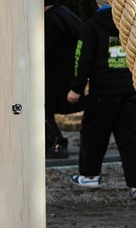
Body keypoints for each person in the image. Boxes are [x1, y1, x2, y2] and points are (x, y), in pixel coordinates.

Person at [67, 0, 136, 200]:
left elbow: (83, 58)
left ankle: (90, 175)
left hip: (101, 92)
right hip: (130, 90)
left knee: (93, 135)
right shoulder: (133, 24)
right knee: (131, 138)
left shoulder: (92, 25)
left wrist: (76, 88)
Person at [44, 0, 83, 159]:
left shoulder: (50, 18)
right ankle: (53, 141)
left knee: (41, 109)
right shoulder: (64, 14)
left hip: (56, 72)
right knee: (44, 109)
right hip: (65, 71)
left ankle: (57, 141)